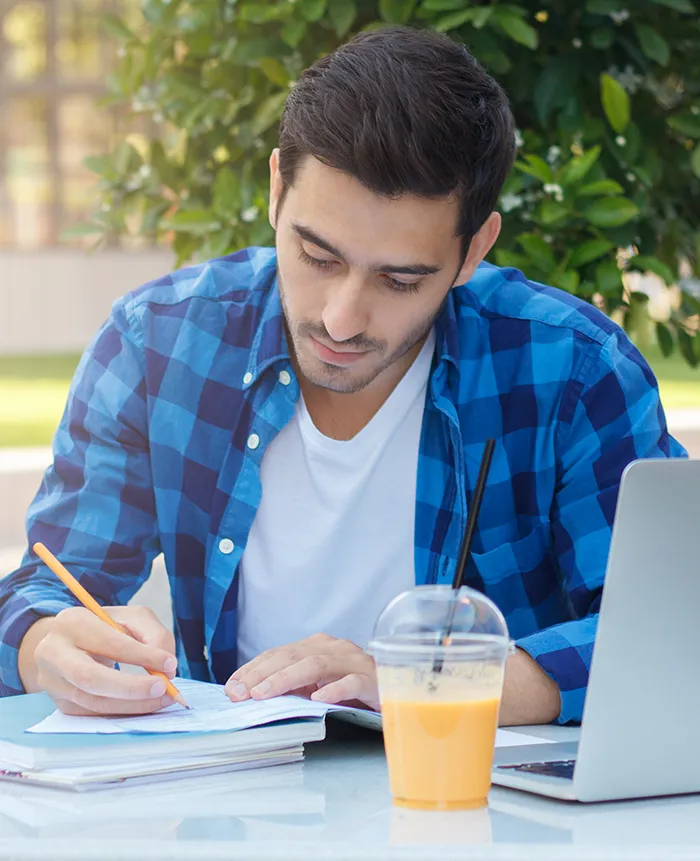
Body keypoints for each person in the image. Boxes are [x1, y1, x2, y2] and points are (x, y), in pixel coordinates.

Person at [0, 27, 685, 726]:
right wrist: (45, 645)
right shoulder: (159, 345)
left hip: (487, 820)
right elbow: (47, 588)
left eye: (399, 279)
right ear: (276, 191)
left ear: (474, 248)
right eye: (318, 256)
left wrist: (427, 683)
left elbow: (671, 628)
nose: (341, 319)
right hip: (226, 813)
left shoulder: (570, 369)